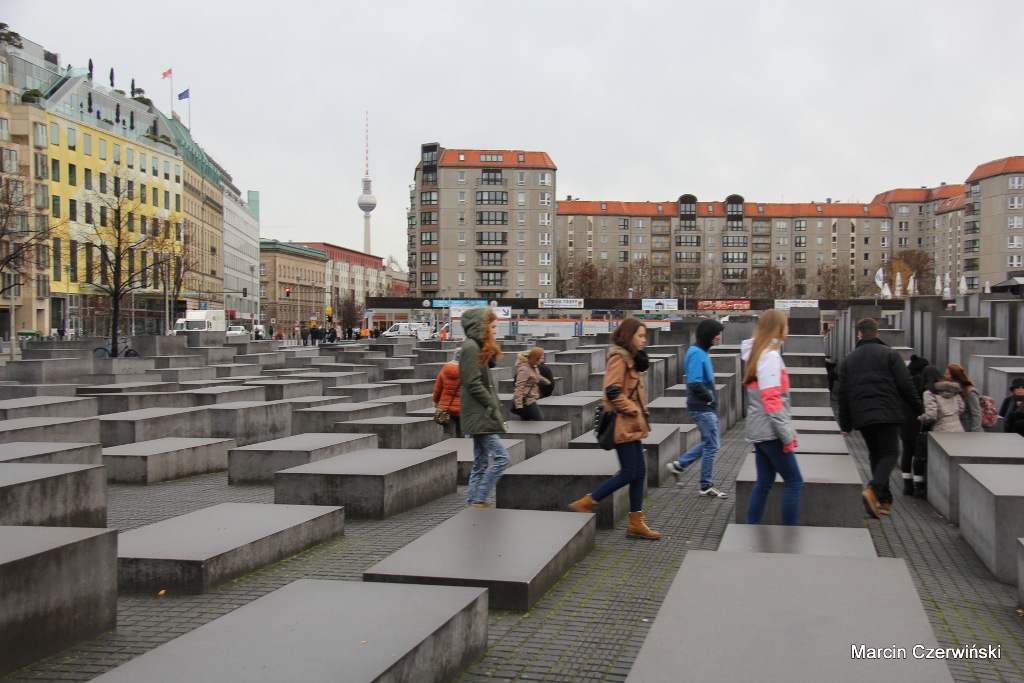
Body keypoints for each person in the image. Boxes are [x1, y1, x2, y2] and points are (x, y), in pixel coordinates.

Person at [569, 317, 660, 540]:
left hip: (633, 422)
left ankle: (636, 522)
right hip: (623, 421)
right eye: (640, 336)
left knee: (639, 472)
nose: (644, 340)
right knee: (630, 472)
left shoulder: (633, 358)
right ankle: (588, 502)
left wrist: (641, 409)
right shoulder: (619, 358)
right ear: (629, 336)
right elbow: (611, 391)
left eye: (645, 336)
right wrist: (633, 409)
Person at [838, 317, 924, 518]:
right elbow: (905, 384)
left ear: (859, 334)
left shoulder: (849, 359)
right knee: (890, 454)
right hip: (887, 412)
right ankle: (873, 490)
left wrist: (846, 424)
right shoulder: (890, 354)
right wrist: (919, 408)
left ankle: (883, 501)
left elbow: (843, 395)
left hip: (862, 414)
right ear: (877, 334)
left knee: (875, 454)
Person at [741, 310, 803, 525]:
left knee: (765, 481)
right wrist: (787, 435)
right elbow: (772, 400)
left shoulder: (759, 354)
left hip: (761, 429)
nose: (788, 329)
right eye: (786, 325)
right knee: (794, 482)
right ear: (778, 329)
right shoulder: (770, 357)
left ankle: (752, 527)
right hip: (771, 431)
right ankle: (790, 533)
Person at [666, 318, 728, 498]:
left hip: (704, 406)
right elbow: (694, 382)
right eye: (717, 334)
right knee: (712, 444)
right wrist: (710, 398)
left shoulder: (701, 352)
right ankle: (705, 485)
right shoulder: (696, 353)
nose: (719, 337)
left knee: (711, 443)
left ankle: (679, 465)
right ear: (708, 335)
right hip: (701, 407)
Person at [460, 307, 510, 508]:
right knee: (502, 458)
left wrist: (490, 350)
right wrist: (490, 403)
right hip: (480, 414)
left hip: (481, 413)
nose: (496, 331)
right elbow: (472, 382)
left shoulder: (477, 347)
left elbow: (486, 369)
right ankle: (479, 499)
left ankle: (471, 504)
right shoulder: (470, 347)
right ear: (483, 327)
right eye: (493, 327)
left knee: (480, 463)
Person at [900, 355, 931, 496]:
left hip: (904, 421)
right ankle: (919, 486)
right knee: (918, 454)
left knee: (907, 453)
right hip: (916, 421)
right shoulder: (919, 381)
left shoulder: (904, 380)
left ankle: (907, 485)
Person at [513, 347, 550, 421]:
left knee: (526, 423)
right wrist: (519, 405)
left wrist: (546, 381)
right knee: (540, 422)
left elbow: (536, 376)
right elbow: (519, 387)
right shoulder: (524, 369)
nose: (542, 360)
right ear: (535, 358)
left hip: (530, 398)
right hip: (527, 400)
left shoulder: (534, 366)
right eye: (541, 358)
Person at [433, 348, 463, 438]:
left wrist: (436, 401)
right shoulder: (467, 371)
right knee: (461, 434)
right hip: (462, 408)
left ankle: (445, 446)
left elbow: (437, 389)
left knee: (447, 432)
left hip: (446, 407)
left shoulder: (445, 369)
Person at [945, 364, 982, 433]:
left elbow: (976, 415)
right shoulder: (954, 390)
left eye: (947, 374)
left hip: (968, 430)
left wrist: (975, 434)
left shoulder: (970, 392)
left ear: (954, 376)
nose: (945, 376)